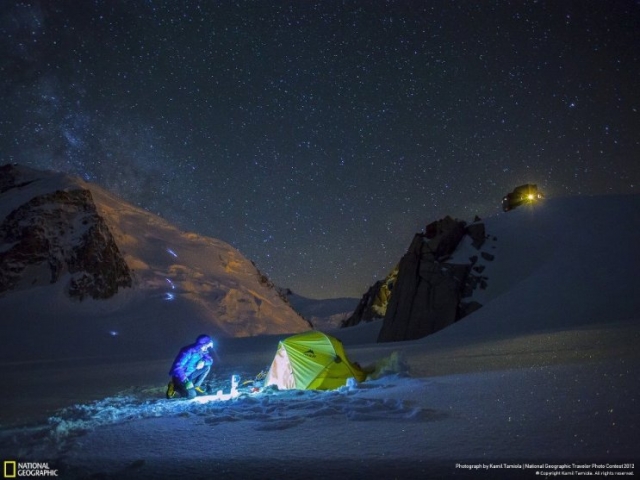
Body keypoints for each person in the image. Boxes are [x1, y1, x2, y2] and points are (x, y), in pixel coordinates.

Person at [166, 334, 214, 399]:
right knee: (191, 395)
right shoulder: (188, 351)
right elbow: (177, 367)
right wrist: (186, 381)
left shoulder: (202, 351)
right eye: (207, 345)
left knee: (206, 367)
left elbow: (210, 360)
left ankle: (196, 386)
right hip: (180, 376)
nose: (208, 347)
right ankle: (174, 386)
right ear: (203, 344)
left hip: (190, 374)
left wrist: (204, 362)